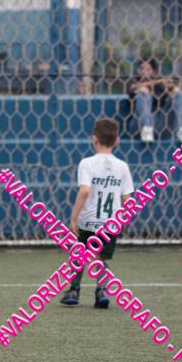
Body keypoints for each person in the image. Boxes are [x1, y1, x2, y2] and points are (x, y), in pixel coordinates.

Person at [60, 117, 134, 308]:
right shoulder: (122, 166)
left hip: (88, 221)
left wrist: (73, 217)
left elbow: (85, 191)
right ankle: (101, 292)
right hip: (110, 223)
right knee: (100, 257)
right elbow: (127, 200)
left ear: (94, 139)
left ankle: (74, 291)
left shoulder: (87, 163)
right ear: (116, 141)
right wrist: (124, 219)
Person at [127, 58, 182, 143]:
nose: (144, 72)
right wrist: (157, 82)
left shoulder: (160, 86)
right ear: (138, 70)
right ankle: (146, 128)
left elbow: (175, 94)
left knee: (178, 93)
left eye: (148, 69)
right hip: (138, 126)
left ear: (154, 72)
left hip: (161, 125)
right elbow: (133, 88)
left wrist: (170, 87)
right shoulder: (132, 81)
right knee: (143, 92)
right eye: (141, 68)